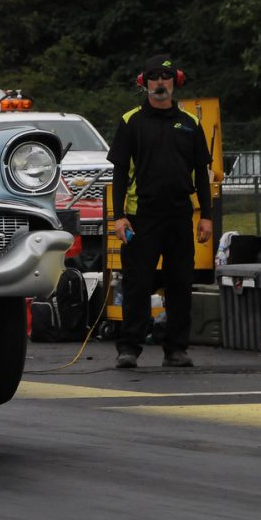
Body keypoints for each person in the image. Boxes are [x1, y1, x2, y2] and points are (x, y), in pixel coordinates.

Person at [107, 54, 213, 369]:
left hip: (180, 215)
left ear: (174, 82)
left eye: (165, 77)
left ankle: (176, 348)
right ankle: (129, 348)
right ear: (145, 83)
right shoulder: (131, 122)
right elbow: (119, 172)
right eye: (153, 77)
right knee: (137, 282)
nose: (159, 83)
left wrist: (206, 215)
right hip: (142, 217)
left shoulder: (190, 124)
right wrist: (118, 216)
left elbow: (202, 174)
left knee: (180, 282)